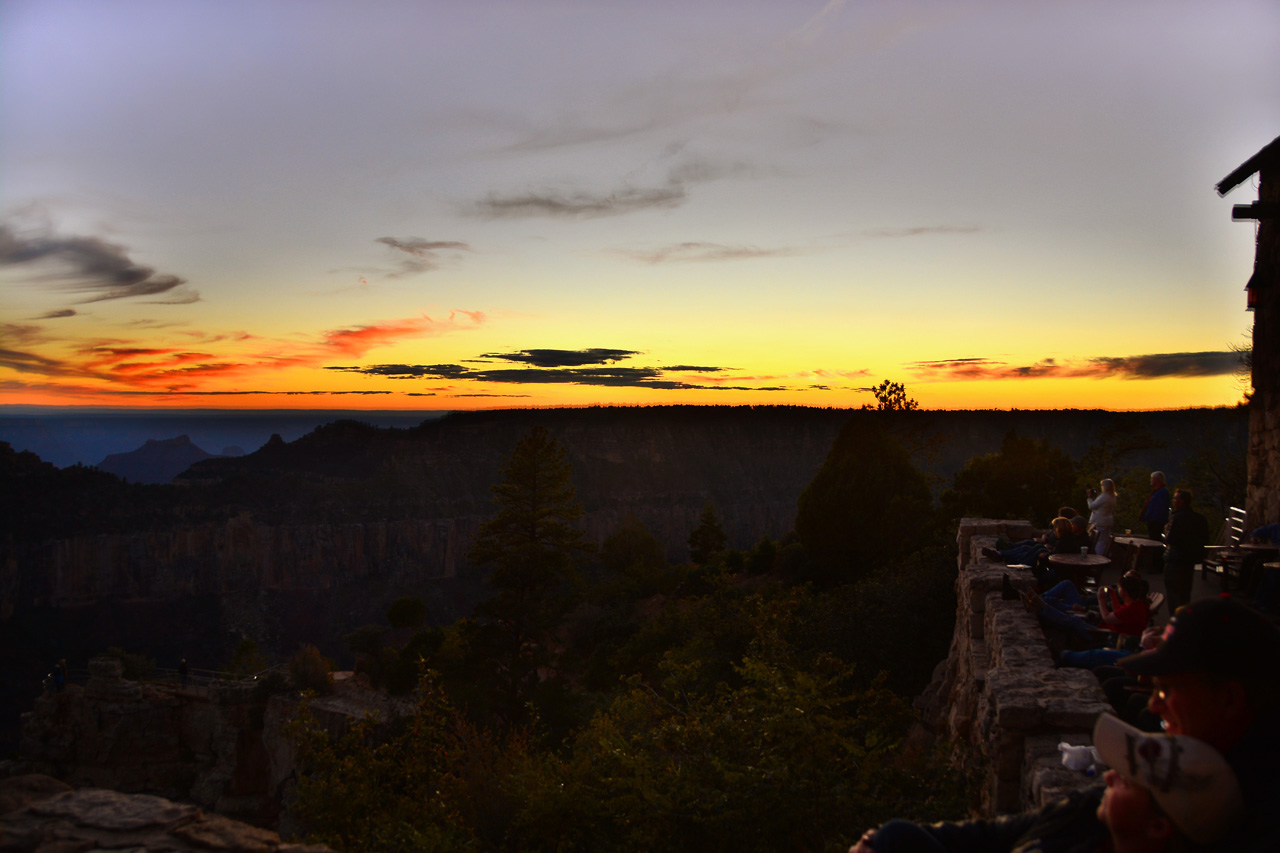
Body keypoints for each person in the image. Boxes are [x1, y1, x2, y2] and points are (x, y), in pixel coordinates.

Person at [847, 713, 1245, 853]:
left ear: (1158, 826)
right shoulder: (1091, 813)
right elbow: (998, 832)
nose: (1109, 777)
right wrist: (882, 842)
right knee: (894, 837)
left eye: (1127, 780)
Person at [1119, 595, 1280, 850]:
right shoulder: (1236, 760)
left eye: (1166, 690)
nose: (1155, 705)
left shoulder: (1260, 812)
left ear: (1229, 700)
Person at [1162, 489, 1208, 612]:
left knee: (1173, 593)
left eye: (1176, 498)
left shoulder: (1177, 518)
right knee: (1185, 591)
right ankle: (1185, 617)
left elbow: (1171, 539)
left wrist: (1167, 532)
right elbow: (1205, 539)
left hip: (1176, 559)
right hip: (1190, 560)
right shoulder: (1199, 518)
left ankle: (1175, 621)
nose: (1174, 501)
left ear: (1182, 501)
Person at [1140, 472, 1170, 574]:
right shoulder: (1158, 492)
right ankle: (1155, 565)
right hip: (1153, 521)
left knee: (1156, 544)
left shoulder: (1162, 493)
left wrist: (1153, 519)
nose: (1150, 481)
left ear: (1157, 480)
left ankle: (1157, 566)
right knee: (1154, 543)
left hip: (1155, 522)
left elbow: (1160, 509)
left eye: (1152, 479)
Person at [1086, 479, 1117, 557]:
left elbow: (1092, 506)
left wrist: (1089, 498)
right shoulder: (1113, 496)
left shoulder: (1104, 496)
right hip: (1108, 520)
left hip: (1099, 521)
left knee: (1099, 542)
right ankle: (1107, 556)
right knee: (1105, 541)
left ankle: (1100, 558)